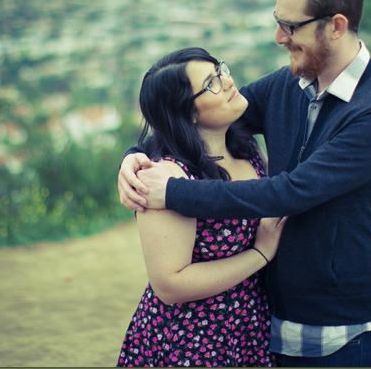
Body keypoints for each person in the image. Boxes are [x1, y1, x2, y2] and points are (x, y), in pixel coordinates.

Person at [118, 0, 371, 367]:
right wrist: (134, 158)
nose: (278, 37)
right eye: (278, 22)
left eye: (290, 26)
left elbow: (291, 192)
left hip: (339, 333)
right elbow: (191, 120)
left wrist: (173, 193)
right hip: (266, 327)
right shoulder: (287, 84)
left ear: (336, 26)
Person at [116, 47, 286, 367]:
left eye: (220, 70)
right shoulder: (164, 177)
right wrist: (259, 254)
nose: (229, 81)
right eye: (211, 83)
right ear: (188, 112)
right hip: (191, 338)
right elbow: (169, 284)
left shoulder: (247, 147)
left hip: (248, 327)